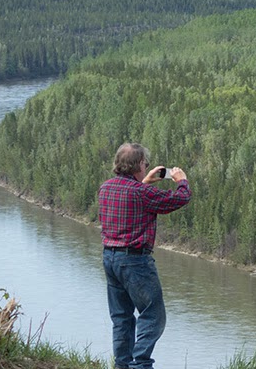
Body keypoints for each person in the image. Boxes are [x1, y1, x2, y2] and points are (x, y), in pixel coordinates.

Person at [99, 142, 191, 369]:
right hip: (135, 261)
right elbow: (178, 200)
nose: (146, 166)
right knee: (153, 315)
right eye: (145, 163)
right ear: (138, 165)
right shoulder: (142, 192)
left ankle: (122, 365)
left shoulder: (106, 188)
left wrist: (147, 180)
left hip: (110, 258)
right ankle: (140, 364)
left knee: (121, 318)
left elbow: (131, 195)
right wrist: (181, 181)